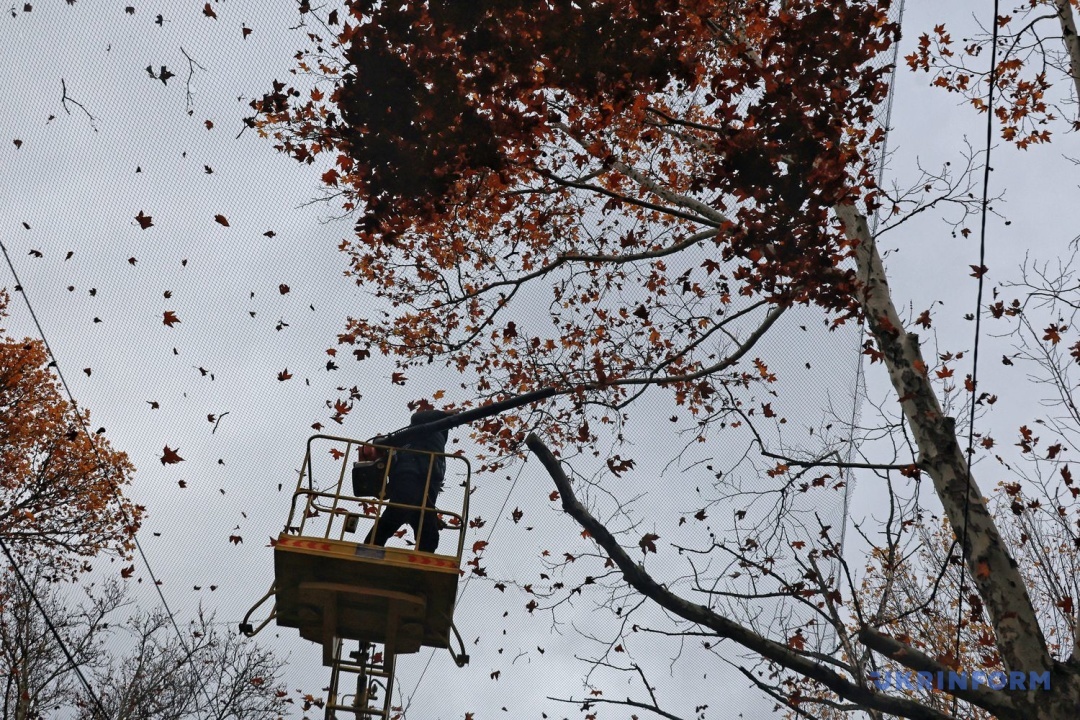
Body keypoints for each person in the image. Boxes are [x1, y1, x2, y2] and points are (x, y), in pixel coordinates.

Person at [358, 408, 455, 553]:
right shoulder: (421, 434)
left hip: (422, 486)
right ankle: (370, 549)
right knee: (404, 517)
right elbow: (417, 418)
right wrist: (444, 415)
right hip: (412, 481)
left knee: (424, 528)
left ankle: (370, 548)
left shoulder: (423, 439)